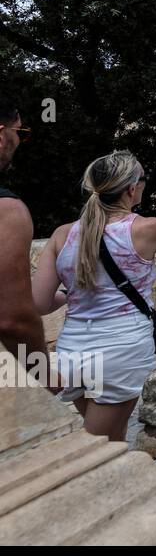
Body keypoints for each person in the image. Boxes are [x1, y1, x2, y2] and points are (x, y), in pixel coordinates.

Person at [30, 151, 156, 442]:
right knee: (95, 449)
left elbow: (38, 303)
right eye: (143, 179)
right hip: (121, 352)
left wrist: (70, 294)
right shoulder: (147, 228)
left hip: (73, 353)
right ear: (131, 188)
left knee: (114, 439)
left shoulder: (62, 235)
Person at [0, 100, 54, 388]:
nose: (19, 141)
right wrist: (45, 376)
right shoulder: (7, 211)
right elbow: (13, 319)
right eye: (20, 132)